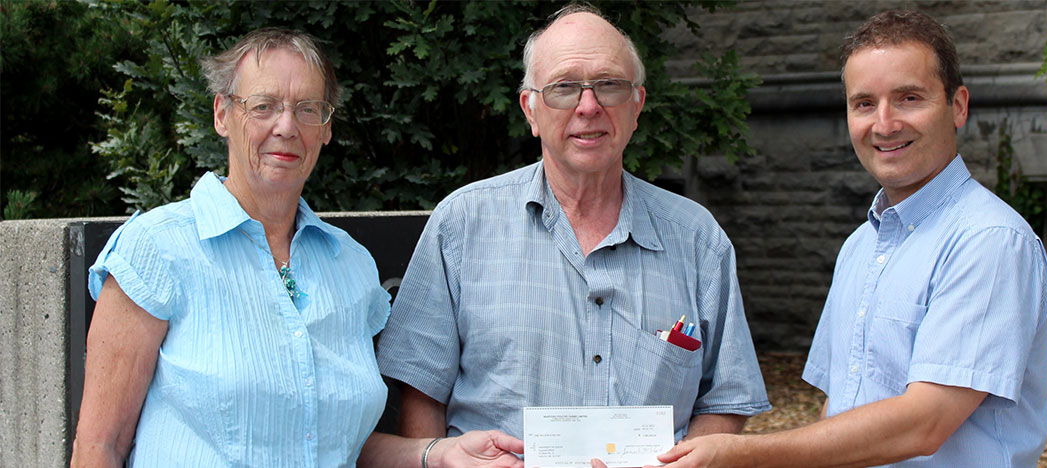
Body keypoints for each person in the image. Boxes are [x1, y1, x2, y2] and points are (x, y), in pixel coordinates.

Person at [70, 27, 522, 468]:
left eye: (308, 109)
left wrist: (439, 454)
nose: (286, 127)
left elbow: (341, 445)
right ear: (222, 115)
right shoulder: (157, 249)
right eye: (263, 106)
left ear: (325, 129)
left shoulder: (350, 267)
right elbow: (98, 449)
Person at [653, 10, 1047, 468]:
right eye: (864, 103)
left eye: (908, 98)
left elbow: (925, 423)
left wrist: (744, 454)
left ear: (958, 106)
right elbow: (840, 407)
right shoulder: (861, 246)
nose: (884, 124)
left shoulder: (990, 241)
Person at [372, 2, 769, 451]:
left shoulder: (697, 238)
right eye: (563, 88)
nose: (588, 106)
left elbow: (727, 396)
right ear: (530, 109)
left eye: (610, 86)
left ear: (637, 105)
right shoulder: (462, 225)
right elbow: (422, 391)